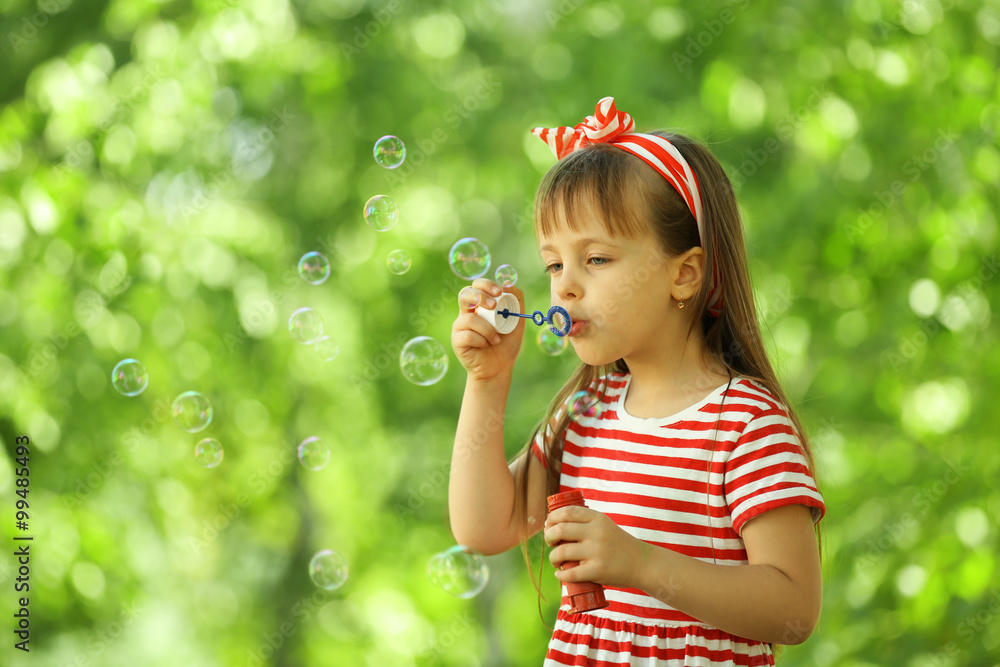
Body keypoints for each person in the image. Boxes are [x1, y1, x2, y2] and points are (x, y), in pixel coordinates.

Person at [449, 97, 825, 666]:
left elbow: (795, 609)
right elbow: (484, 526)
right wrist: (487, 381)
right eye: (554, 265)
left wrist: (642, 564)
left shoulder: (745, 424)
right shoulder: (584, 413)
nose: (565, 288)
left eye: (596, 259)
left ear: (683, 274)